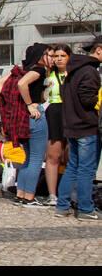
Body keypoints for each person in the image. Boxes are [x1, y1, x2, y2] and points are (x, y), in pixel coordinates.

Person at [55, 41, 101, 220]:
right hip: (86, 126)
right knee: (86, 169)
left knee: (73, 167)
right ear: (99, 50)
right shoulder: (89, 71)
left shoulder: (73, 69)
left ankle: (62, 205)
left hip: (72, 125)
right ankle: (85, 208)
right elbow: (88, 99)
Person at [14, 44, 54, 207]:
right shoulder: (40, 70)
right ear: (42, 56)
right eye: (50, 55)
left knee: (28, 158)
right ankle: (29, 197)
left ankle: (21, 195)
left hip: (25, 117)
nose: (52, 59)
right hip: (36, 114)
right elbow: (22, 84)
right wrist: (30, 104)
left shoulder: (30, 69)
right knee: (37, 159)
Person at [43, 45, 71, 202]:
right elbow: (42, 96)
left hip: (71, 112)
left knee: (70, 156)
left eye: (62, 55)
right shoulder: (48, 74)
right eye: (56, 56)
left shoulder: (74, 74)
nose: (59, 59)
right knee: (53, 155)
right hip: (54, 113)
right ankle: (52, 194)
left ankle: (70, 192)